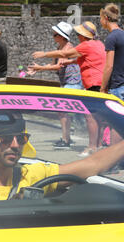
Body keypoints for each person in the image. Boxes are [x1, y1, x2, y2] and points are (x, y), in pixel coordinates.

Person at [0, 111, 124, 203]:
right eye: (5, 139)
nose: (15, 145)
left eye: (21, 138)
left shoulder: (34, 173)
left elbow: (93, 164)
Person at [32, 21, 106, 158]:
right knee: (97, 117)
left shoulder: (85, 45)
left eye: (79, 34)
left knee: (90, 117)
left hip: (92, 83)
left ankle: (91, 147)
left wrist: (43, 54)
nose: (77, 36)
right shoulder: (98, 44)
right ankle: (98, 145)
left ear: (83, 35)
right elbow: (86, 59)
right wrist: (70, 62)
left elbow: (64, 54)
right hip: (100, 83)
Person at [28, 22, 83, 150]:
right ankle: (66, 138)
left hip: (73, 83)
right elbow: (52, 64)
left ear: (63, 36)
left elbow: (59, 66)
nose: (53, 36)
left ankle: (66, 139)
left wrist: (40, 67)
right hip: (67, 83)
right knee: (62, 112)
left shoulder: (68, 48)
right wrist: (38, 69)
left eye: (55, 34)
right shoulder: (60, 48)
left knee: (62, 111)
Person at [99, 3, 124, 172]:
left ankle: (112, 163)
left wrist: (102, 87)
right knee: (123, 124)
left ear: (105, 18)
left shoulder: (112, 37)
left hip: (117, 85)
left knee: (115, 124)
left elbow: (109, 66)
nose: (100, 22)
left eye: (100, 18)